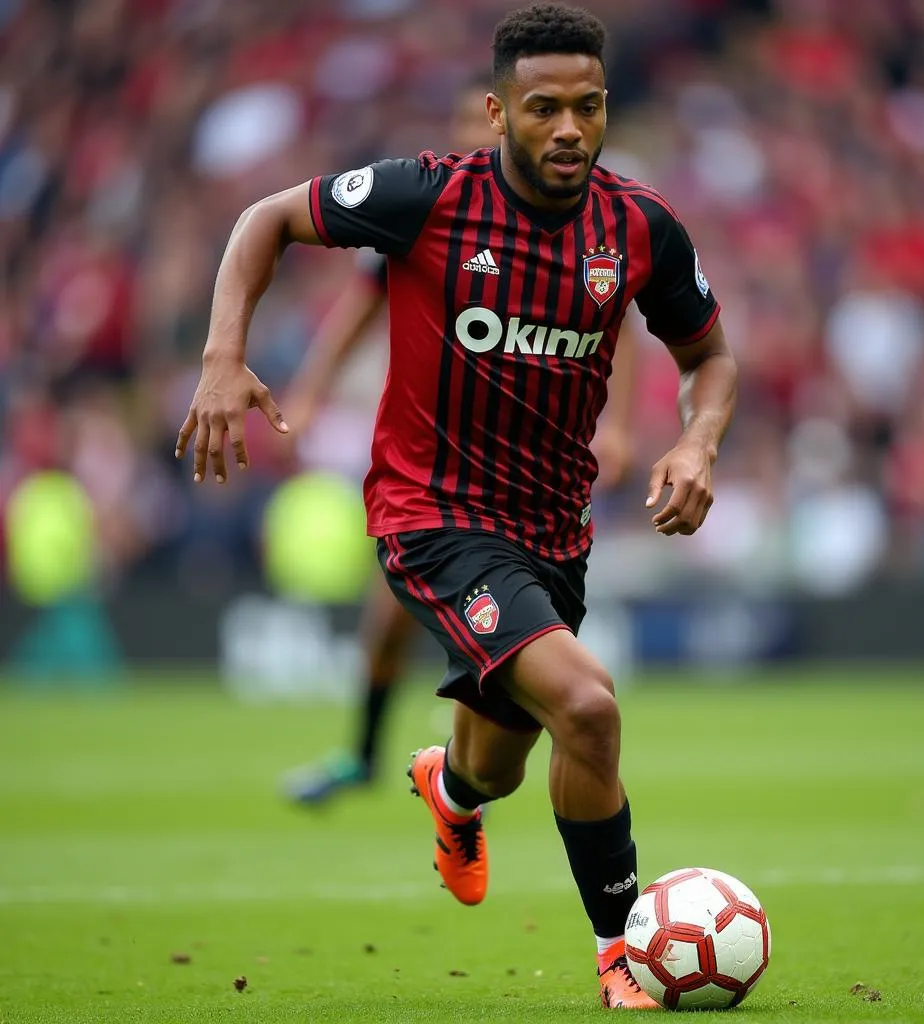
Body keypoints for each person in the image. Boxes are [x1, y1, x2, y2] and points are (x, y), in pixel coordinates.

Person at [175, 2, 736, 1009]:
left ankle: (452, 787)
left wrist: (696, 438)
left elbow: (710, 355)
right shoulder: (424, 197)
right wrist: (224, 357)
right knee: (590, 708)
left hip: (551, 535)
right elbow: (264, 218)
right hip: (430, 515)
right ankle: (622, 955)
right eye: (543, 108)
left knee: (502, 762)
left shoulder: (640, 228)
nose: (568, 127)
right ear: (499, 110)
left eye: (587, 106)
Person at [281, 73, 640, 807]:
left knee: (496, 736)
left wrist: (625, 424)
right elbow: (361, 302)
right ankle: (365, 754)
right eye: (467, 126)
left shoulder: (575, 219)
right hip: (436, 468)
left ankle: (449, 776)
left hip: (533, 487)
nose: (476, 139)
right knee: (390, 616)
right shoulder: (428, 206)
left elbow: (622, 317)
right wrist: (312, 391)